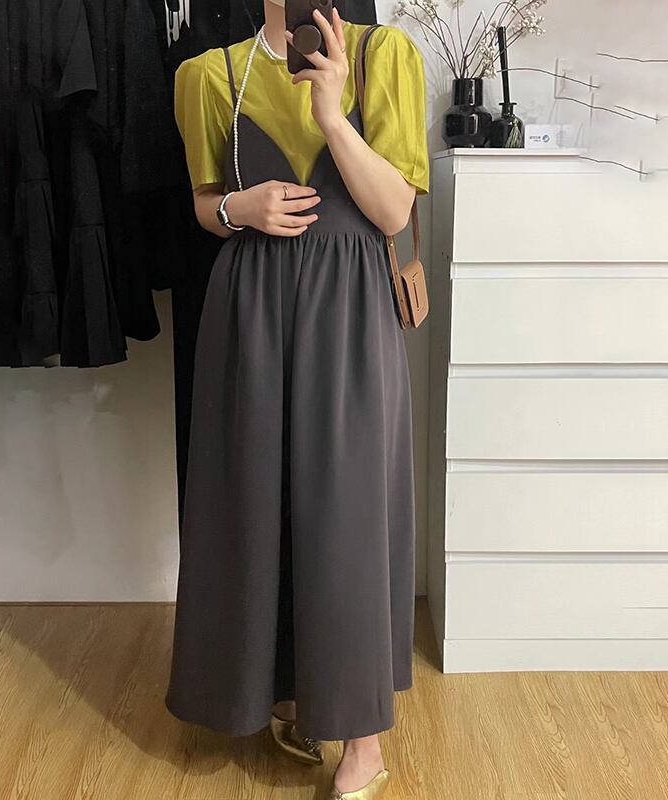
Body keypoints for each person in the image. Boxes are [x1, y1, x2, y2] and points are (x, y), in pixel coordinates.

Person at [164, 2, 428, 797]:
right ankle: (281, 694)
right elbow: (206, 203)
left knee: (347, 510)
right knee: (255, 499)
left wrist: (333, 116)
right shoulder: (208, 74)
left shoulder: (384, 56)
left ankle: (362, 737)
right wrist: (236, 209)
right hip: (250, 308)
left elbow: (394, 210)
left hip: (351, 309)